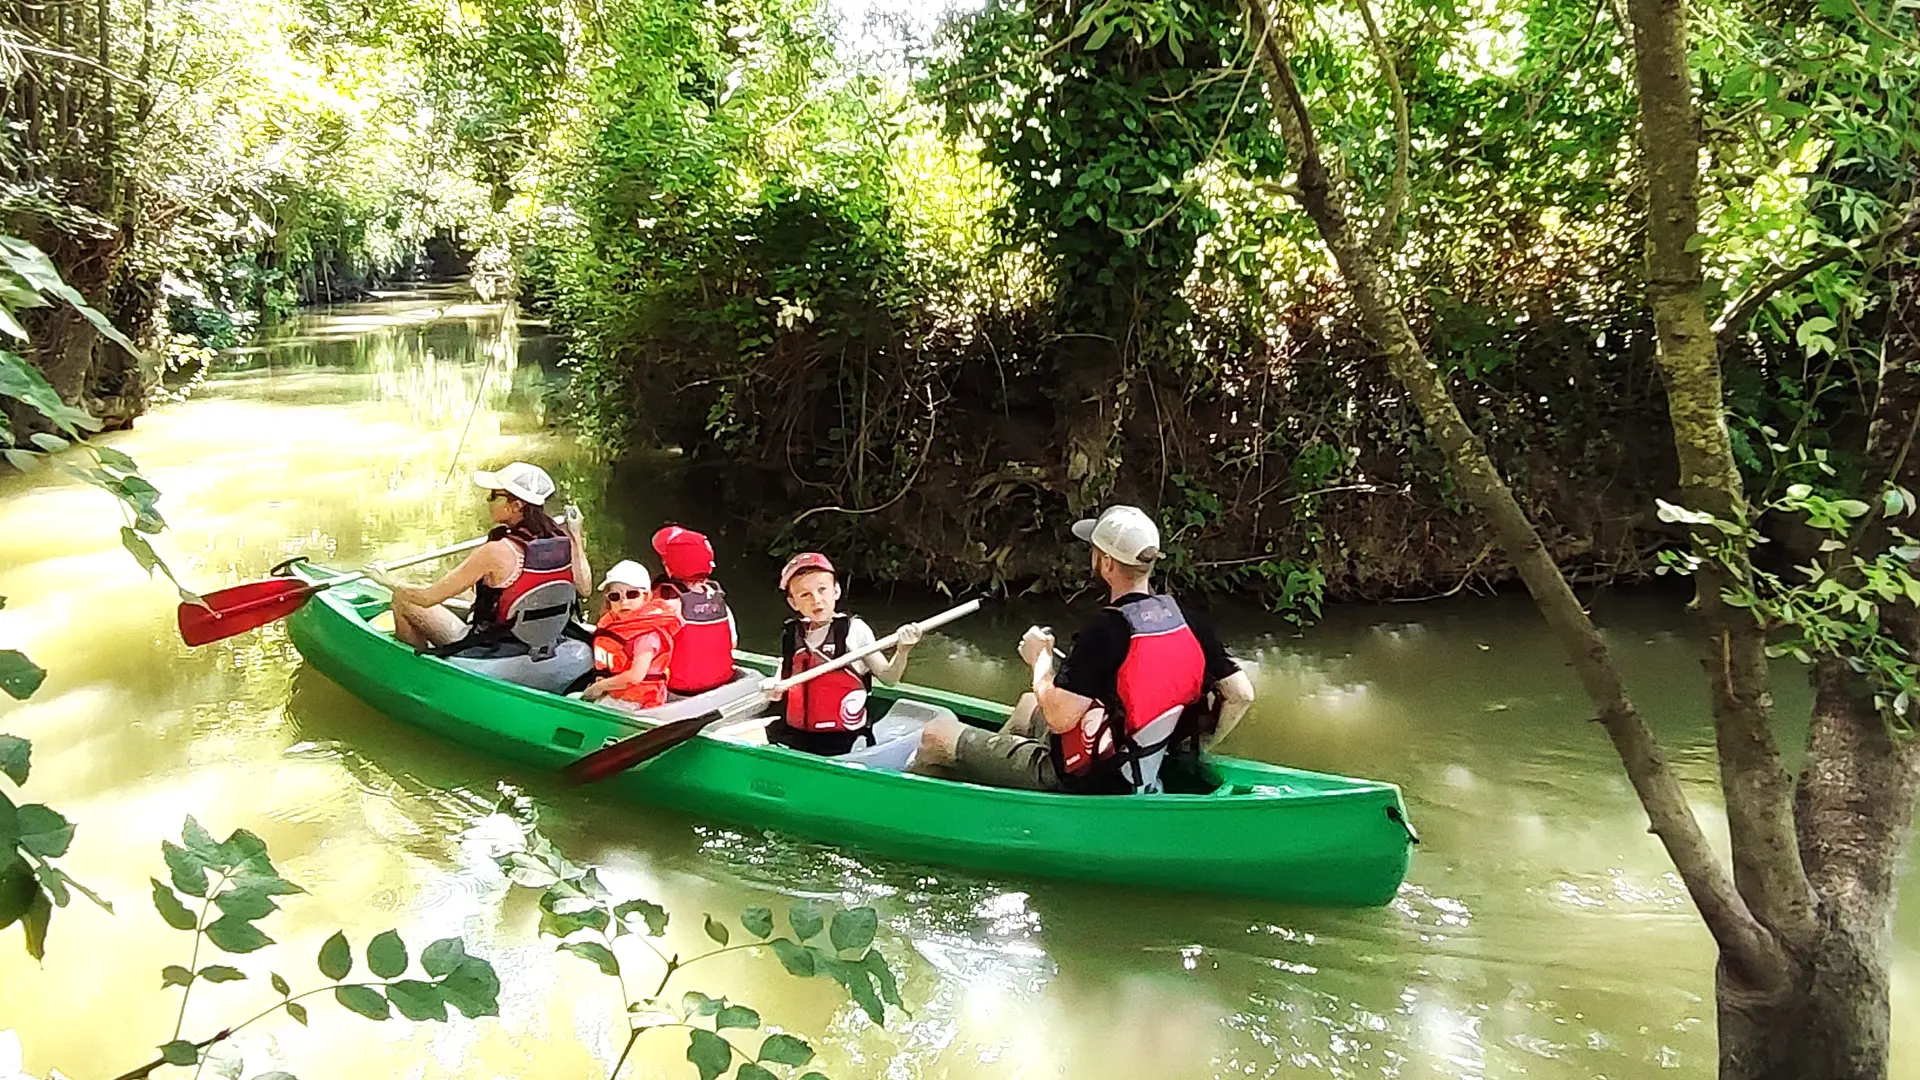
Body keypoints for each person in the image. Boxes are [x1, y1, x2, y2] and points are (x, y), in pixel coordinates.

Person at [913, 505, 1256, 793]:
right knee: (1026, 706)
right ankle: (988, 784)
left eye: (1094, 551)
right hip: (1136, 759)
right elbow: (1241, 695)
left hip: (1088, 779)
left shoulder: (1105, 631)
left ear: (1106, 563)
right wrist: (1182, 752)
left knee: (935, 735)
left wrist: (1040, 662)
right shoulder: (1187, 621)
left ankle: (937, 809)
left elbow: (1060, 718)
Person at [383, 461, 592, 652]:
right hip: (537, 635)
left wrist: (388, 581)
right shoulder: (562, 539)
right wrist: (575, 535)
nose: (488, 500)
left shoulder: (496, 551)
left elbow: (427, 598)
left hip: (495, 643)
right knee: (465, 594)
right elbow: (585, 589)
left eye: (494, 495)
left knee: (403, 599)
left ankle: (418, 666)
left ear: (516, 505)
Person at [766, 552, 923, 756]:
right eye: (805, 594)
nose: (817, 600)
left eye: (822, 589)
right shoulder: (791, 635)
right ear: (793, 603)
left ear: (836, 591)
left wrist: (903, 650)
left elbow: (889, 678)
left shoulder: (855, 630)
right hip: (796, 733)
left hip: (843, 738)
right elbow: (784, 677)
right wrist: (774, 686)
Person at [582, 560, 685, 709]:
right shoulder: (615, 625)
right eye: (615, 597)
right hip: (616, 692)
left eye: (632, 594)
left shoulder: (647, 635)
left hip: (638, 701)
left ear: (646, 596)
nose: (624, 602)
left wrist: (598, 688)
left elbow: (636, 676)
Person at [650, 525, 738, 695]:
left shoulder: (665, 604)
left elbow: (650, 650)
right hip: (723, 682)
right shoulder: (718, 598)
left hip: (679, 692)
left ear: (668, 568)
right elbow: (733, 642)